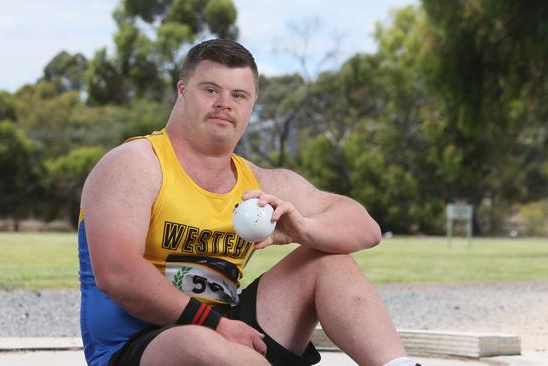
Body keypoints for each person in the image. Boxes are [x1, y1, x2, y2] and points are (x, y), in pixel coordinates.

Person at [78, 39, 419, 366]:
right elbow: (117, 274)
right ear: (182, 91)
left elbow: (366, 227)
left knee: (329, 262)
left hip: (233, 332)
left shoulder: (261, 182)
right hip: (143, 343)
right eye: (210, 90)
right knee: (198, 345)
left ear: (252, 104)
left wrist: (304, 229)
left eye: (238, 95)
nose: (224, 103)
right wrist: (216, 326)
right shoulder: (135, 163)